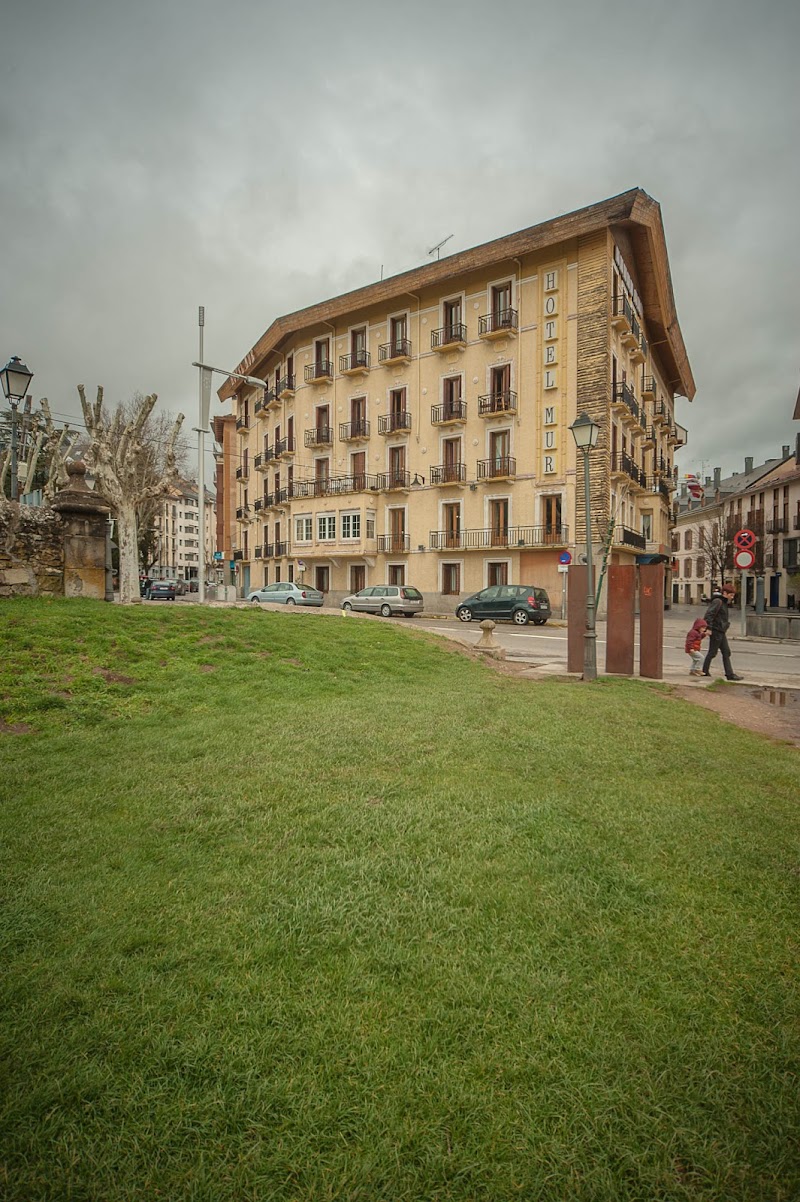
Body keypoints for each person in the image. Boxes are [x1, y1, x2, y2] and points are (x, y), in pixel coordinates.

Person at [702, 583, 743, 680]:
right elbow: (709, 614)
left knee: (726, 652)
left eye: (733, 595)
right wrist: (709, 628)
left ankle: (729, 674)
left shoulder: (723, 602)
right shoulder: (718, 601)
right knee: (713, 652)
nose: (732, 597)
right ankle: (705, 671)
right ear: (725, 593)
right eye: (731, 595)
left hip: (720, 630)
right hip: (716, 630)